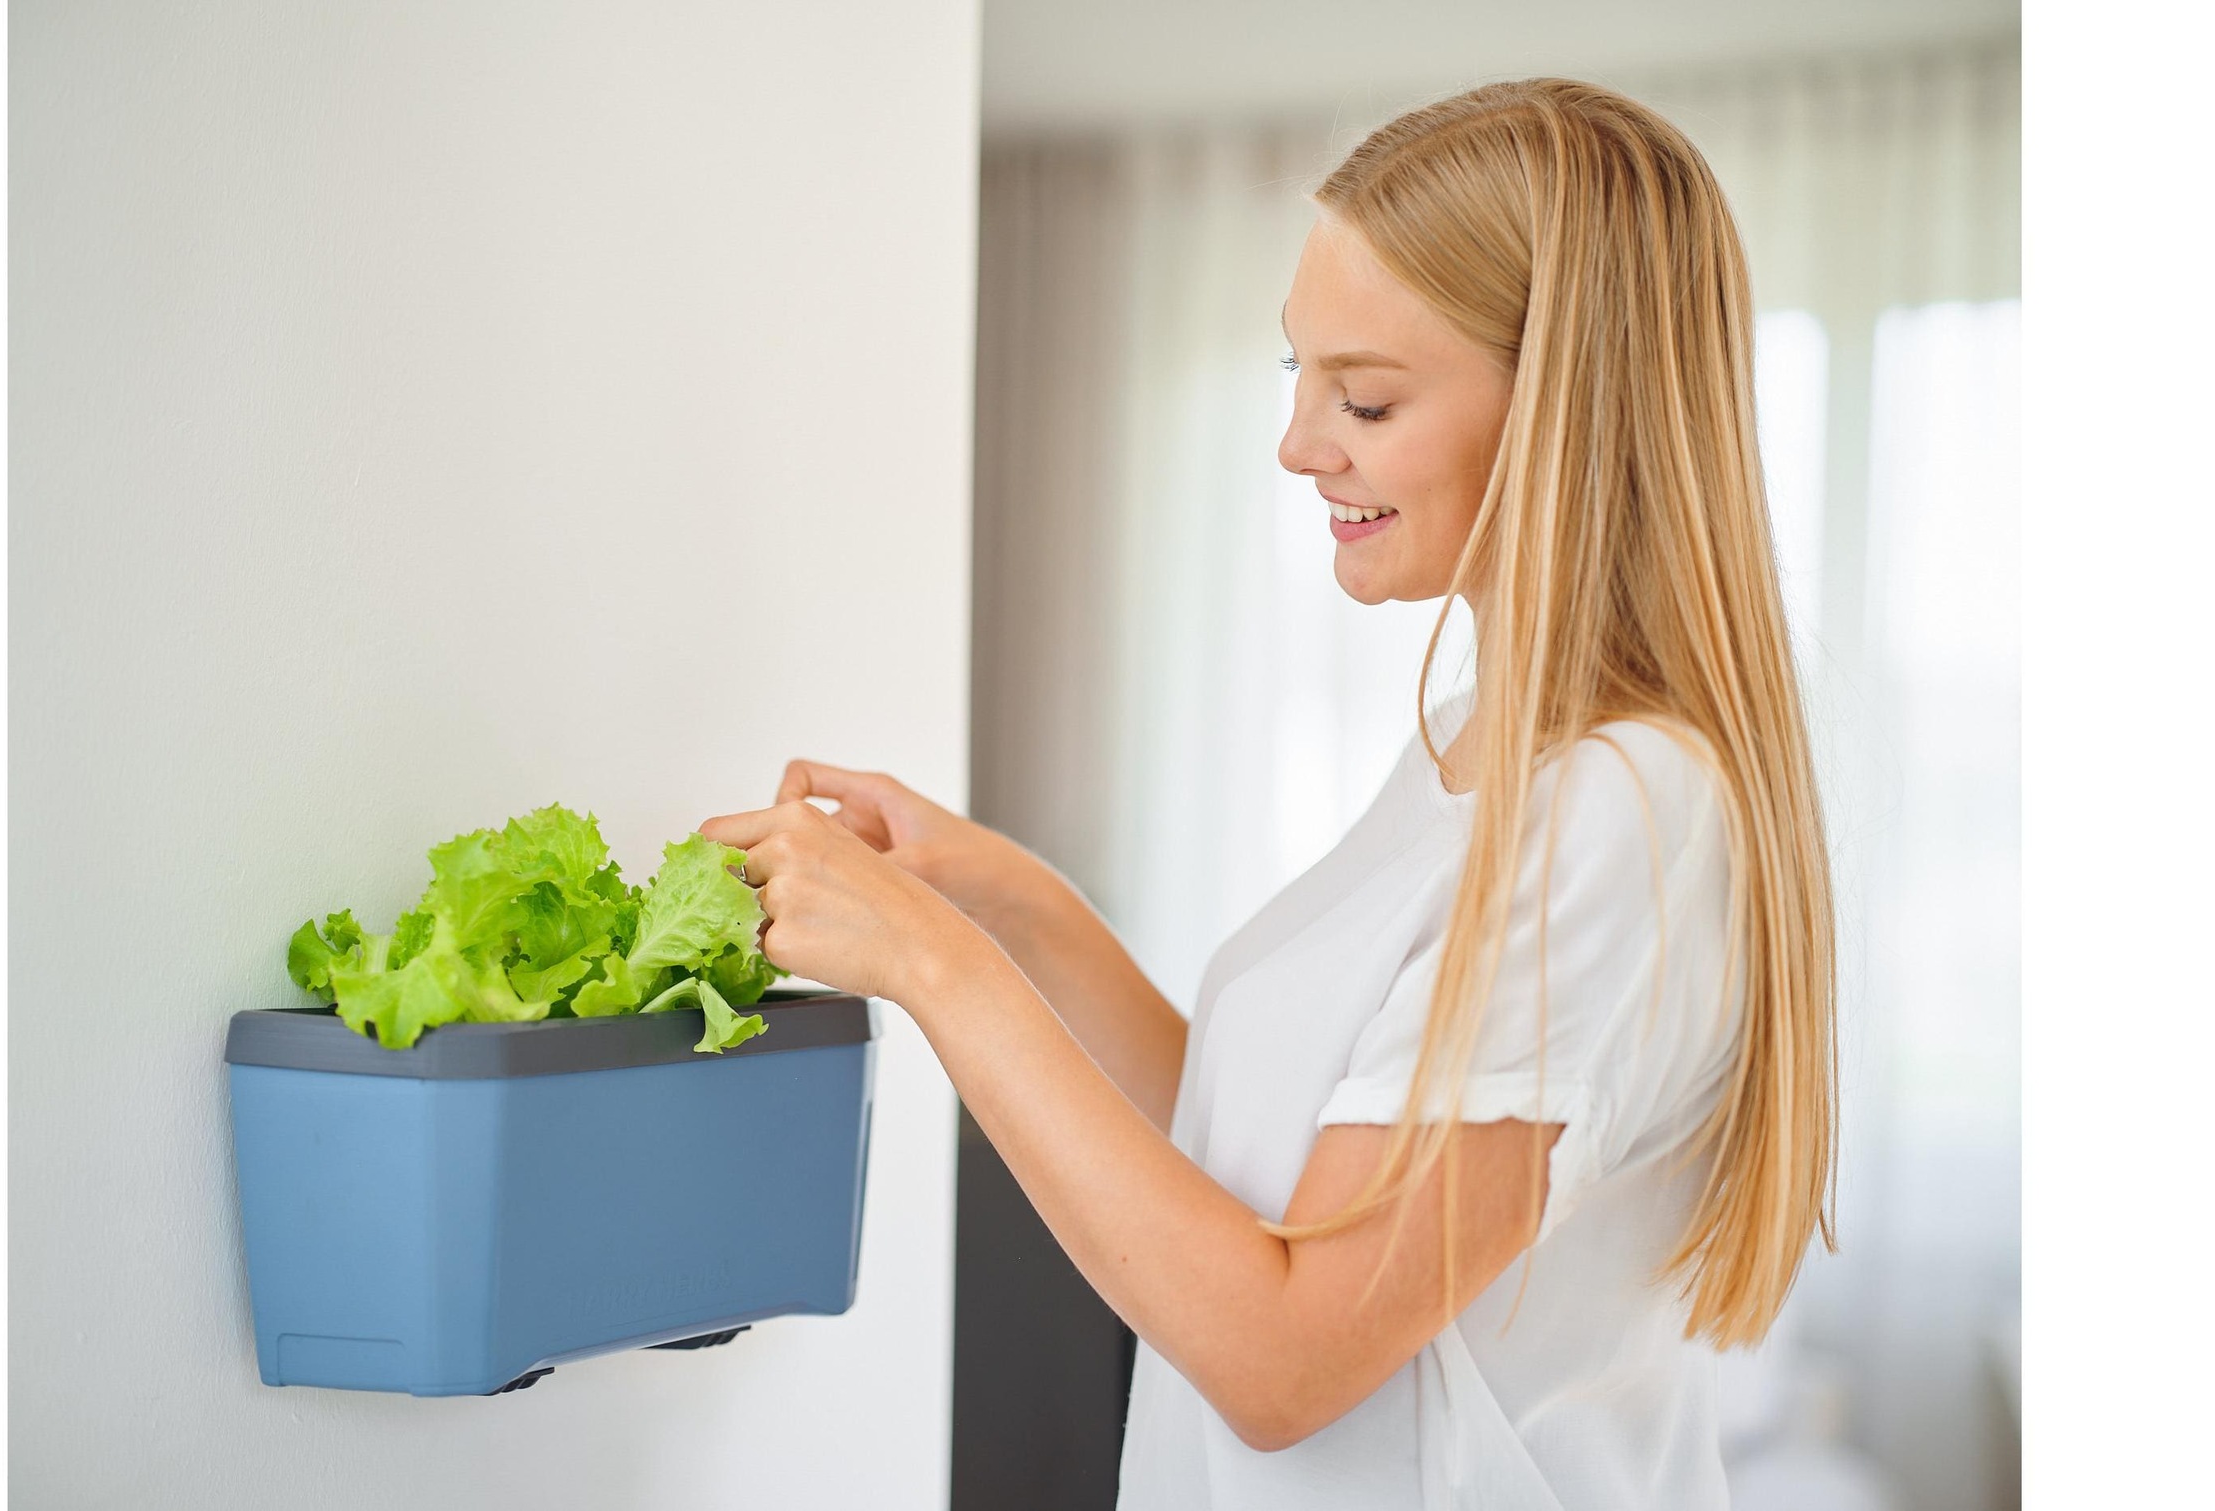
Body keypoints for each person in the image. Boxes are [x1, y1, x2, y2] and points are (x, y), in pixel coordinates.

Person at [700, 77, 1836, 1511]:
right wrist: (997, 894)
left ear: (1563, 407)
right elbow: (1270, 1176)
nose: (1300, 444)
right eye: (1297, 377)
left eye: (1363, 395)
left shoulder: (1620, 811)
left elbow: (1289, 1358)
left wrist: (931, 965)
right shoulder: (1489, 743)